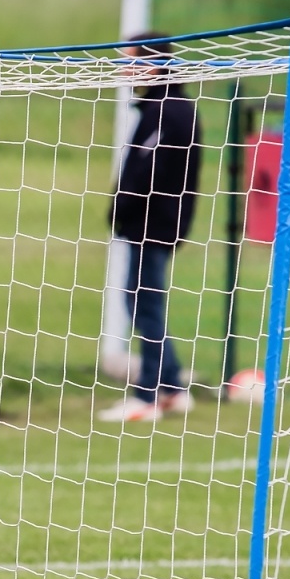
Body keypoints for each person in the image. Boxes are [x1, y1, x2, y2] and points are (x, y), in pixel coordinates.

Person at [101, 31, 201, 423]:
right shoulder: (159, 109)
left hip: (154, 226)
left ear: (154, 63)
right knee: (142, 302)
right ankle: (173, 386)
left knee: (145, 305)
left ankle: (149, 394)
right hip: (148, 225)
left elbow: (148, 172)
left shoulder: (171, 111)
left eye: (132, 61)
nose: (125, 70)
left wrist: (121, 208)